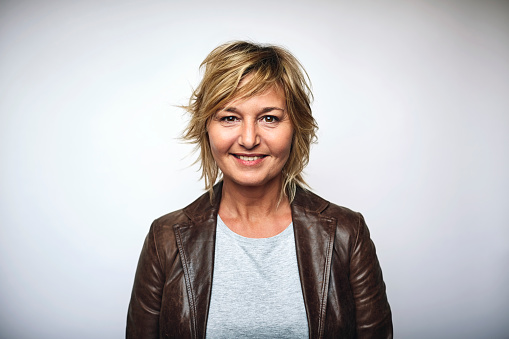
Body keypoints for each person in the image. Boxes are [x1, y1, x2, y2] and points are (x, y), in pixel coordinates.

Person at [126, 41, 392, 338]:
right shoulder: (165, 239)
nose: (249, 139)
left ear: (296, 128)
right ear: (207, 129)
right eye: (229, 117)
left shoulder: (347, 233)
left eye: (270, 118)